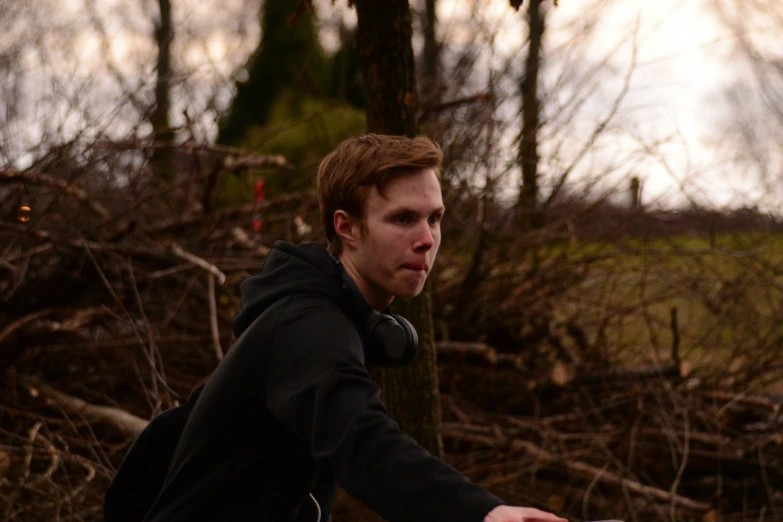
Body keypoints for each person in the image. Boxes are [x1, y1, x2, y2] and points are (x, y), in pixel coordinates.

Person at [105, 134, 567, 522]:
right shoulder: (309, 327)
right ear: (346, 227)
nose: (426, 239)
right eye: (403, 218)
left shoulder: (325, 319)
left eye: (434, 218)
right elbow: (360, 439)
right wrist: (480, 514)